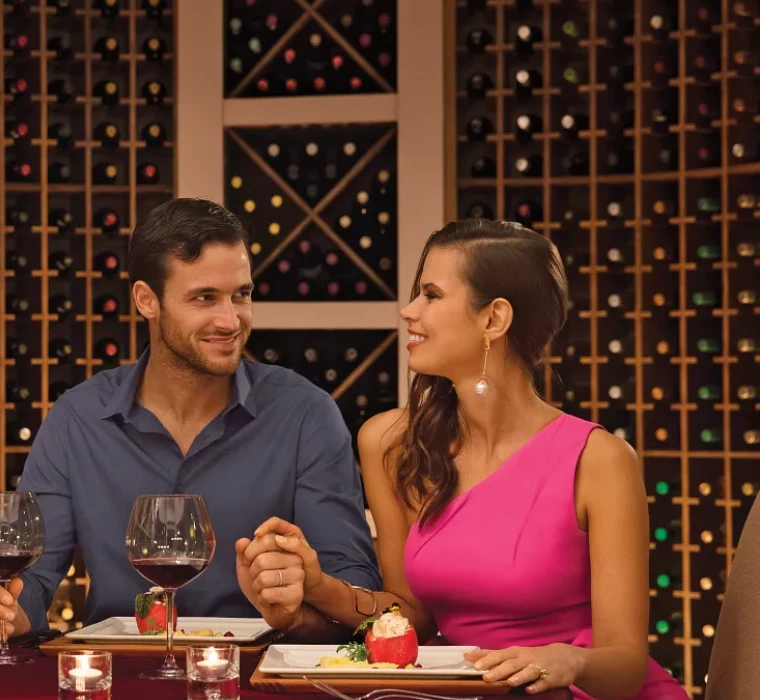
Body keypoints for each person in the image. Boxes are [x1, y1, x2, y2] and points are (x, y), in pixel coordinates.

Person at [237, 219, 689, 699]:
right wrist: (318, 585)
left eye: (431, 295)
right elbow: (409, 617)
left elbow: (625, 667)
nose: (410, 310)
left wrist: (568, 660)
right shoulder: (389, 443)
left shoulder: (599, 460)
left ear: (493, 319)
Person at [0, 197, 380, 646]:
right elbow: (32, 584)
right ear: (146, 300)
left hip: (256, 679)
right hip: (114, 677)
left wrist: (298, 604)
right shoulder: (77, 419)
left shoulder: (306, 414)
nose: (231, 320)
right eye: (204, 298)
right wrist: (1, 611)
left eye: (242, 295)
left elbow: (352, 591)